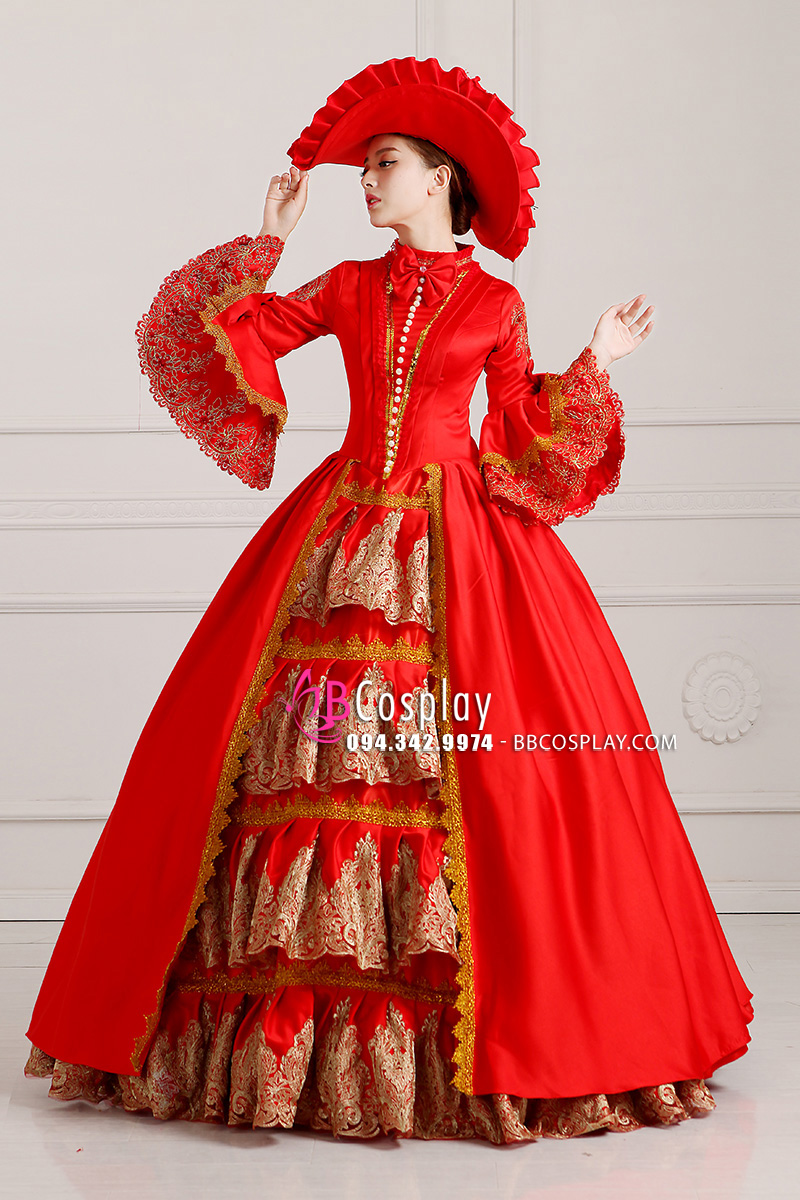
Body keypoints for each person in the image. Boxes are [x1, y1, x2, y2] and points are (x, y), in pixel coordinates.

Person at [23, 56, 753, 1144]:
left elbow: (517, 429)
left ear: (439, 178)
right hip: (337, 534)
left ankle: (514, 1037)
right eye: (366, 166)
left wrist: (594, 361)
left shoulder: (496, 302)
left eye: (385, 164)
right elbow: (236, 336)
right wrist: (266, 242)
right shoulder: (349, 286)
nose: (367, 182)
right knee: (286, 754)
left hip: (460, 545)